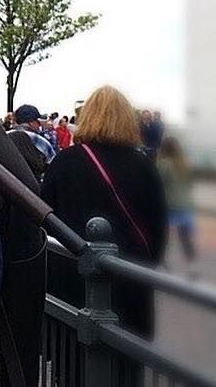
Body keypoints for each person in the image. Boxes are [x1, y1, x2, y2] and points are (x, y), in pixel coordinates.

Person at [42, 85, 167, 338]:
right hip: (131, 281)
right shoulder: (143, 165)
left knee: (72, 366)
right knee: (126, 362)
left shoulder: (65, 162)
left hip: (73, 281)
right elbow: (158, 225)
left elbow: (46, 220)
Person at [158, 136, 197, 275]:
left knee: (164, 237)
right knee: (185, 238)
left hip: (170, 204)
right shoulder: (185, 163)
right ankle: (192, 265)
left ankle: (163, 264)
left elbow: (159, 184)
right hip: (186, 205)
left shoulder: (164, 164)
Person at [6, 104, 56, 182]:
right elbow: (53, 164)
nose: (39, 125)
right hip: (32, 186)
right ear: (31, 122)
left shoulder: (5, 135)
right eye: (38, 122)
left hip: (6, 183)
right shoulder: (40, 141)